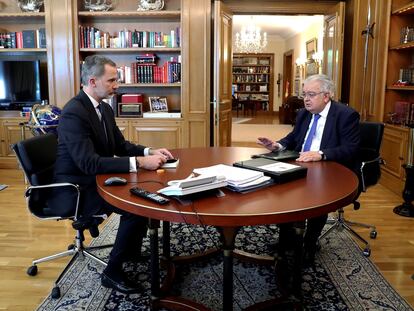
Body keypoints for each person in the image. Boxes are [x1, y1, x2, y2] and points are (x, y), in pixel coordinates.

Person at [49, 55, 173, 294]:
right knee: (135, 208)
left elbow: (119, 145)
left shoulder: (104, 108)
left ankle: (132, 254)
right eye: (112, 80)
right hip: (74, 188)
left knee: (142, 197)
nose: (117, 85)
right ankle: (112, 272)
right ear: (93, 81)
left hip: (95, 178)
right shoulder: (74, 113)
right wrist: (139, 162)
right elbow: (88, 163)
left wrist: (149, 151)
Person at [257, 74, 360, 295]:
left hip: (329, 166)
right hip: (300, 162)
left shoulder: (345, 115)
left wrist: (321, 154)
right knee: (282, 190)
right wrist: (277, 145)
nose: (306, 99)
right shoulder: (304, 113)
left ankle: (310, 244)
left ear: (326, 95)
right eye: (304, 94)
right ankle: (286, 241)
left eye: (311, 95)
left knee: (315, 196)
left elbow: (351, 149)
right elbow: (293, 138)